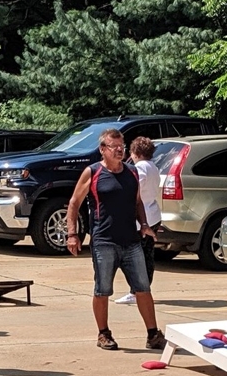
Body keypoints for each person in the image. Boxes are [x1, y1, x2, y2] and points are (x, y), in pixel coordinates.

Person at [66, 129, 166, 351]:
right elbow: (74, 203)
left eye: (122, 145)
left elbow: (138, 202)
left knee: (143, 288)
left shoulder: (131, 173)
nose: (120, 149)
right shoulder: (92, 173)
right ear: (103, 150)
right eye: (114, 146)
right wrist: (72, 234)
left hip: (131, 241)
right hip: (104, 242)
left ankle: (153, 335)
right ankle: (104, 334)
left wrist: (145, 225)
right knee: (102, 290)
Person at [115, 137, 161, 305]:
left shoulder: (140, 168)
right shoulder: (154, 167)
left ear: (135, 152)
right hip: (154, 214)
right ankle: (143, 289)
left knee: (132, 257)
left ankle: (136, 291)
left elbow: (133, 191)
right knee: (147, 255)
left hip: (141, 219)